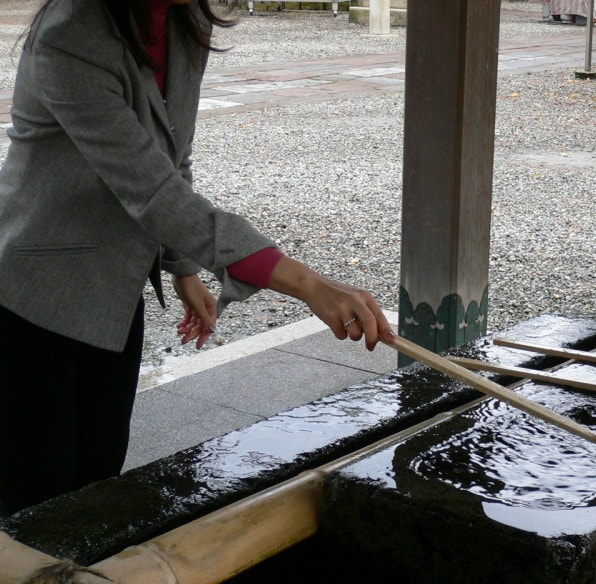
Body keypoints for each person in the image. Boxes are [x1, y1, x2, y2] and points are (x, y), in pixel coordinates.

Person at [0, 0, 395, 517]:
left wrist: (183, 266)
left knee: (97, 483)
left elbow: (171, 155)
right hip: (33, 297)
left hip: (114, 296)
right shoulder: (70, 33)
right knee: (36, 500)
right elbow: (151, 190)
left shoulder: (185, 21)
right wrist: (309, 285)